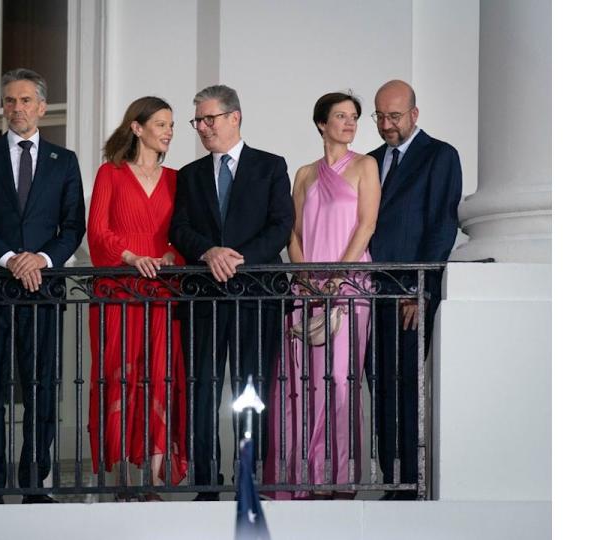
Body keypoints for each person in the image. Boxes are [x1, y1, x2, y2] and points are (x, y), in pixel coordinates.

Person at [0, 68, 86, 504]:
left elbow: (73, 225)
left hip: (42, 292)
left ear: (42, 107)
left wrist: (42, 260)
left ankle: (34, 481)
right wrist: (11, 259)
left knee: (41, 390)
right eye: (10, 101)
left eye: (25, 100)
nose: (17, 108)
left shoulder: (63, 161)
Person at [169, 84, 294, 501]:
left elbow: (280, 225)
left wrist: (236, 258)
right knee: (202, 388)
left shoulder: (270, 166)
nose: (202, 128)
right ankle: (206, 482)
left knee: (251, 388)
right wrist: (210, 252)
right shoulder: (189, 175)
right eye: (198, 121)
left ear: (234, 117)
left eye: (210, 119)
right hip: (204, 298)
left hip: (257, 295)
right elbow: (180, 229)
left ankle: (249, 476)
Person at [263, 92, 381, 500]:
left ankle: (337, 478)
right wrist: (304, 274)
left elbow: (365, 226)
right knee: (301, 382)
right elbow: (292, 233)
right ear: (321, 123)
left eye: (354, 117)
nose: (349, 123)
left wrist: (336, 277)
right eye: (341, 116)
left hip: (349, 288)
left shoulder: (367, 166)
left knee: (341, 383)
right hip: (307, 287)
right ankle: (300, 477)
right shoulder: (304, 174)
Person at [86, 96, 188, 500]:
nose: (168, 132)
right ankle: (124, 481)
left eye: (171, 125)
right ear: (137, 127)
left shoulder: (177, 179)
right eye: (161, 124)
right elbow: (97, 232)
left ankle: (150, 478)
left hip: (161, 291)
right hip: (118, 289)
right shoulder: (110, 174)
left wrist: (168, 256)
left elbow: (183, 235)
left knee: (160, 378)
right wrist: (130, 257)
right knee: (120, 376)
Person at [366, 80, 462, 500]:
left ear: (415, 115)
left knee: (405, 382)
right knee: (376, 380)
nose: (386, 125)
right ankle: (391, 478)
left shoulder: (440, 155)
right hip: (368, 293)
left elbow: (442, 226)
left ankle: (411, 481)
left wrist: (420, 291)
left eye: (395, 117)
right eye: (380, 117)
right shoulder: (369, 161)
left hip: (410, 292)